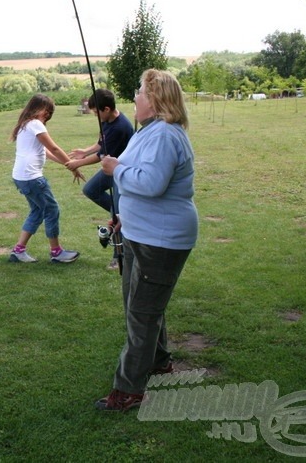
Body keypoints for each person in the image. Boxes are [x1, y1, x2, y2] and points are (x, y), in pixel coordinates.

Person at [96, 69, 198, 411]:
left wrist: (115, 169)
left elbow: (152, 182)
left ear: (154, 100)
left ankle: (129, 390)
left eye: (140, 93)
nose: (135, 99)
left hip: (162, 240)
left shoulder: (166, 135)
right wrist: (124, 215)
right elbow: (140, 179)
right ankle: (158, 360)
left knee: (141, 313)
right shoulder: (148, 133)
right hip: (140, 233)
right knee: (140, 305)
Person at [9, 93, 84, 264]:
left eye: (50, 112)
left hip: (21, 177)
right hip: (31, 177)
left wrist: (69, 165)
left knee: (38, 211)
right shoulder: (35, 124)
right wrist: (72, 164)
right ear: (36, 108)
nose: (48, 115)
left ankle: (18, 251)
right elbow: (55, 148)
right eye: (46, 110)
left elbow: (46, 152)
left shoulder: (25, 125)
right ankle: (56, 252)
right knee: (51, 210)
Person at [66, 89, 134, 270]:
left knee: (118, 215)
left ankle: (118, 257)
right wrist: (83, 152)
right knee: (90, 190)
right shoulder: (106, 121)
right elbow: (100, 145)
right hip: (109, 169)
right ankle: (118, 210)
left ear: (106, 109)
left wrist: (77, 164)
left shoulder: (120, 127)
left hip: (121, 172)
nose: (95, 116)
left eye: (96, 112)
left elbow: (101, 156)